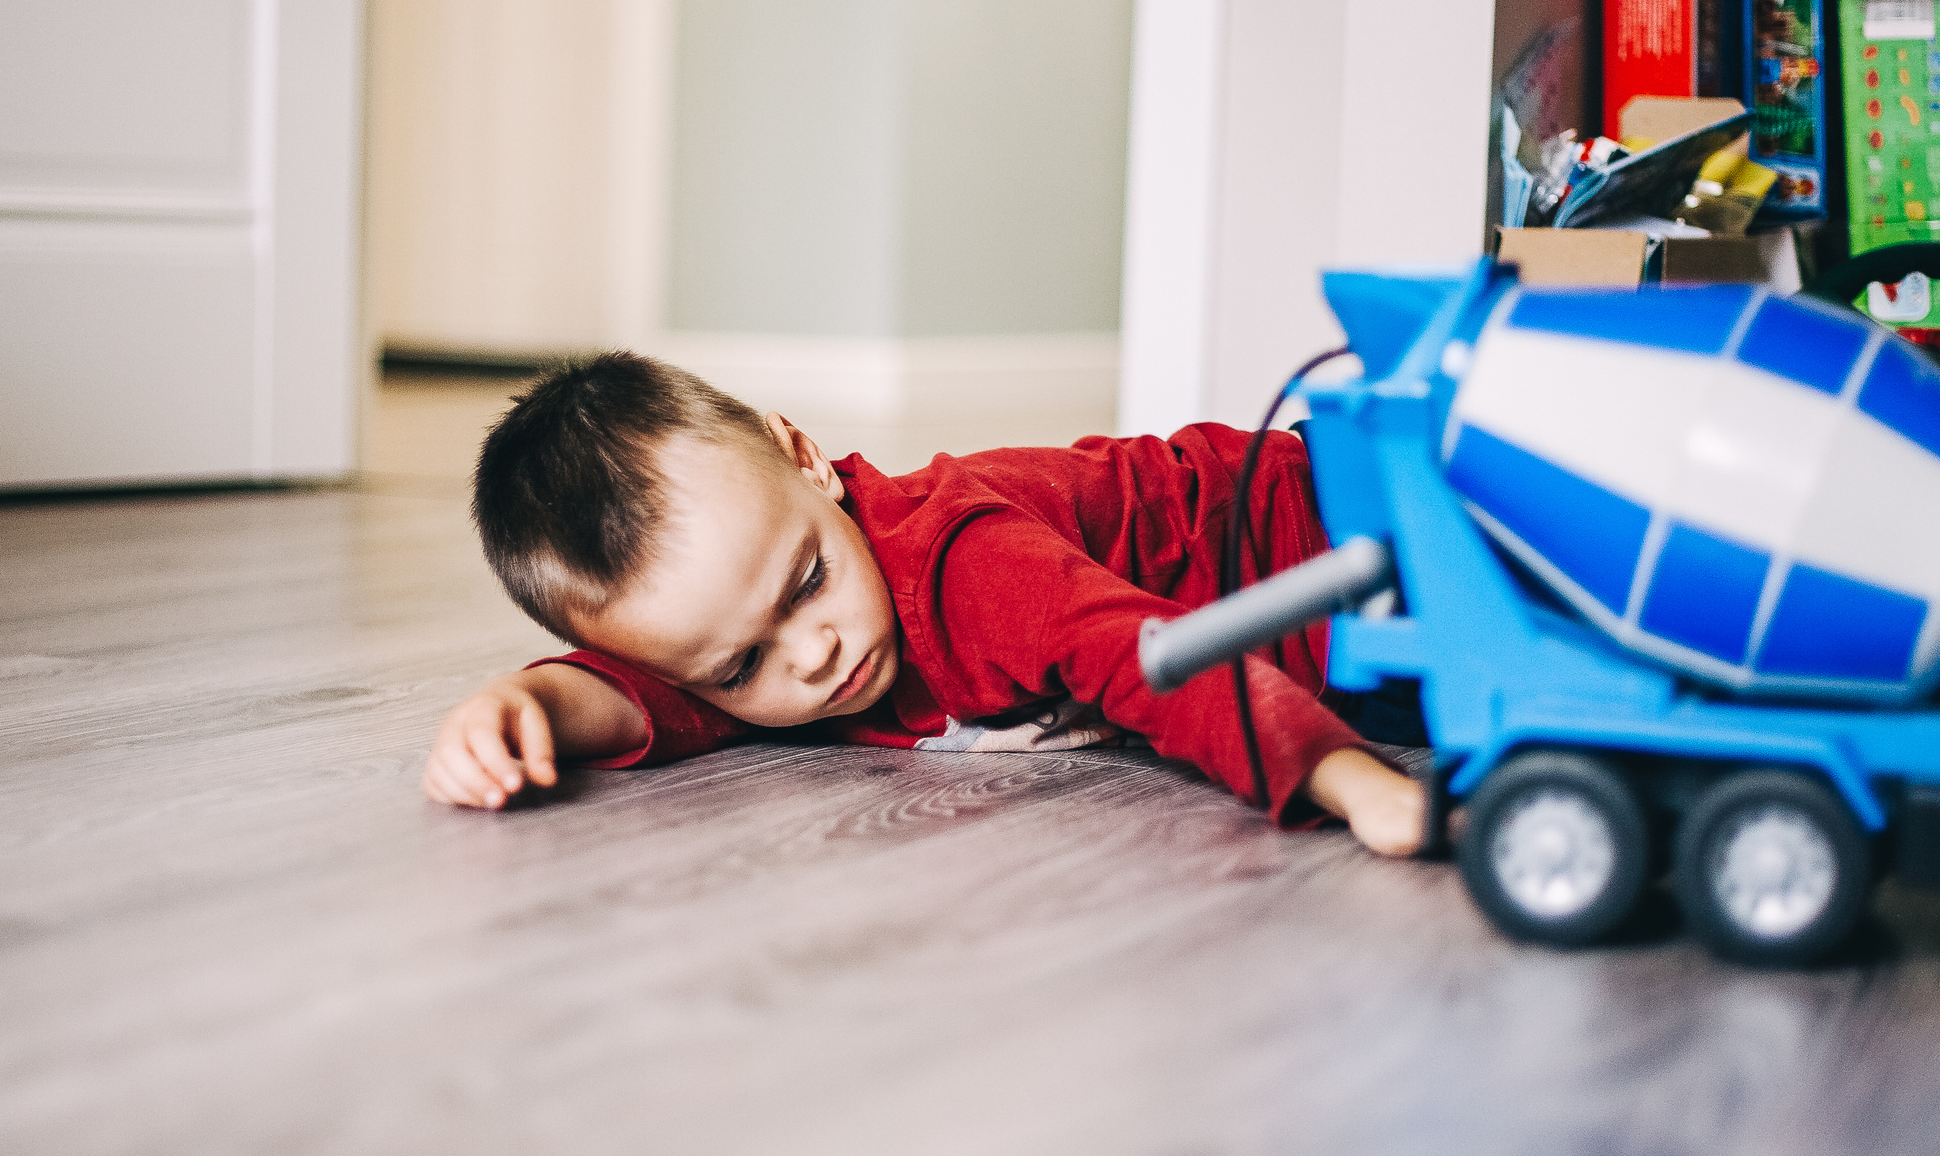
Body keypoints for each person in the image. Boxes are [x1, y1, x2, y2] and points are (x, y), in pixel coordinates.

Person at [422, 352, 1430, 855]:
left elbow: (1156, 659)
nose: (811, 654)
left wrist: (1351, 785)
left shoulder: (960, 571)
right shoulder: (737, 638)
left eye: (808, 582)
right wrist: (536, 708)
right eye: (742, 666)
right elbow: (656, 694)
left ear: (806, 458)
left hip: (1343, 525)